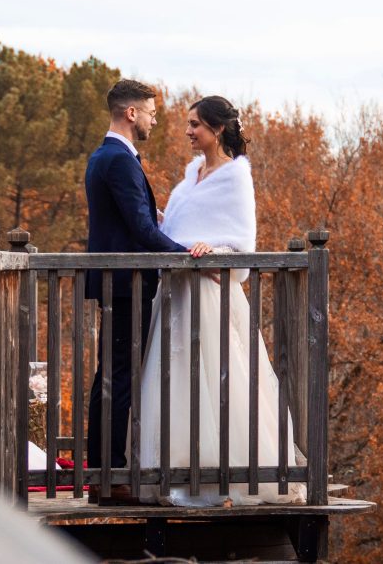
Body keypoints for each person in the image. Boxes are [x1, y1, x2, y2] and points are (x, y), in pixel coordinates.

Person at [138, 96, 306, 505]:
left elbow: (240, 243)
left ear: (216, 129)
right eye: (188, 124)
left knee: (217, 381)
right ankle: (173, 475)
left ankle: (222, 479)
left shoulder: (235, 178)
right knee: (175, 382)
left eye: (195, 124)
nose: (188, 131)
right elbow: (178, 224)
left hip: (210, 294)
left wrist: (210, 252)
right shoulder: (190, 175)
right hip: (176, 293)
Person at [84, 79, 193, 505]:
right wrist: (187, 254)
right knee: (117, 379)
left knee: (110, 377)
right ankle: (109, 480)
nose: (153, 118)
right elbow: (142, 232)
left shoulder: (106, 156)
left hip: (119, 282)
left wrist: (158, 214)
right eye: (150, 111)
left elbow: (134, 218)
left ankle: (103, 475)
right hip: (125, 284)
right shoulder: (118, 160)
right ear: (131, 113)